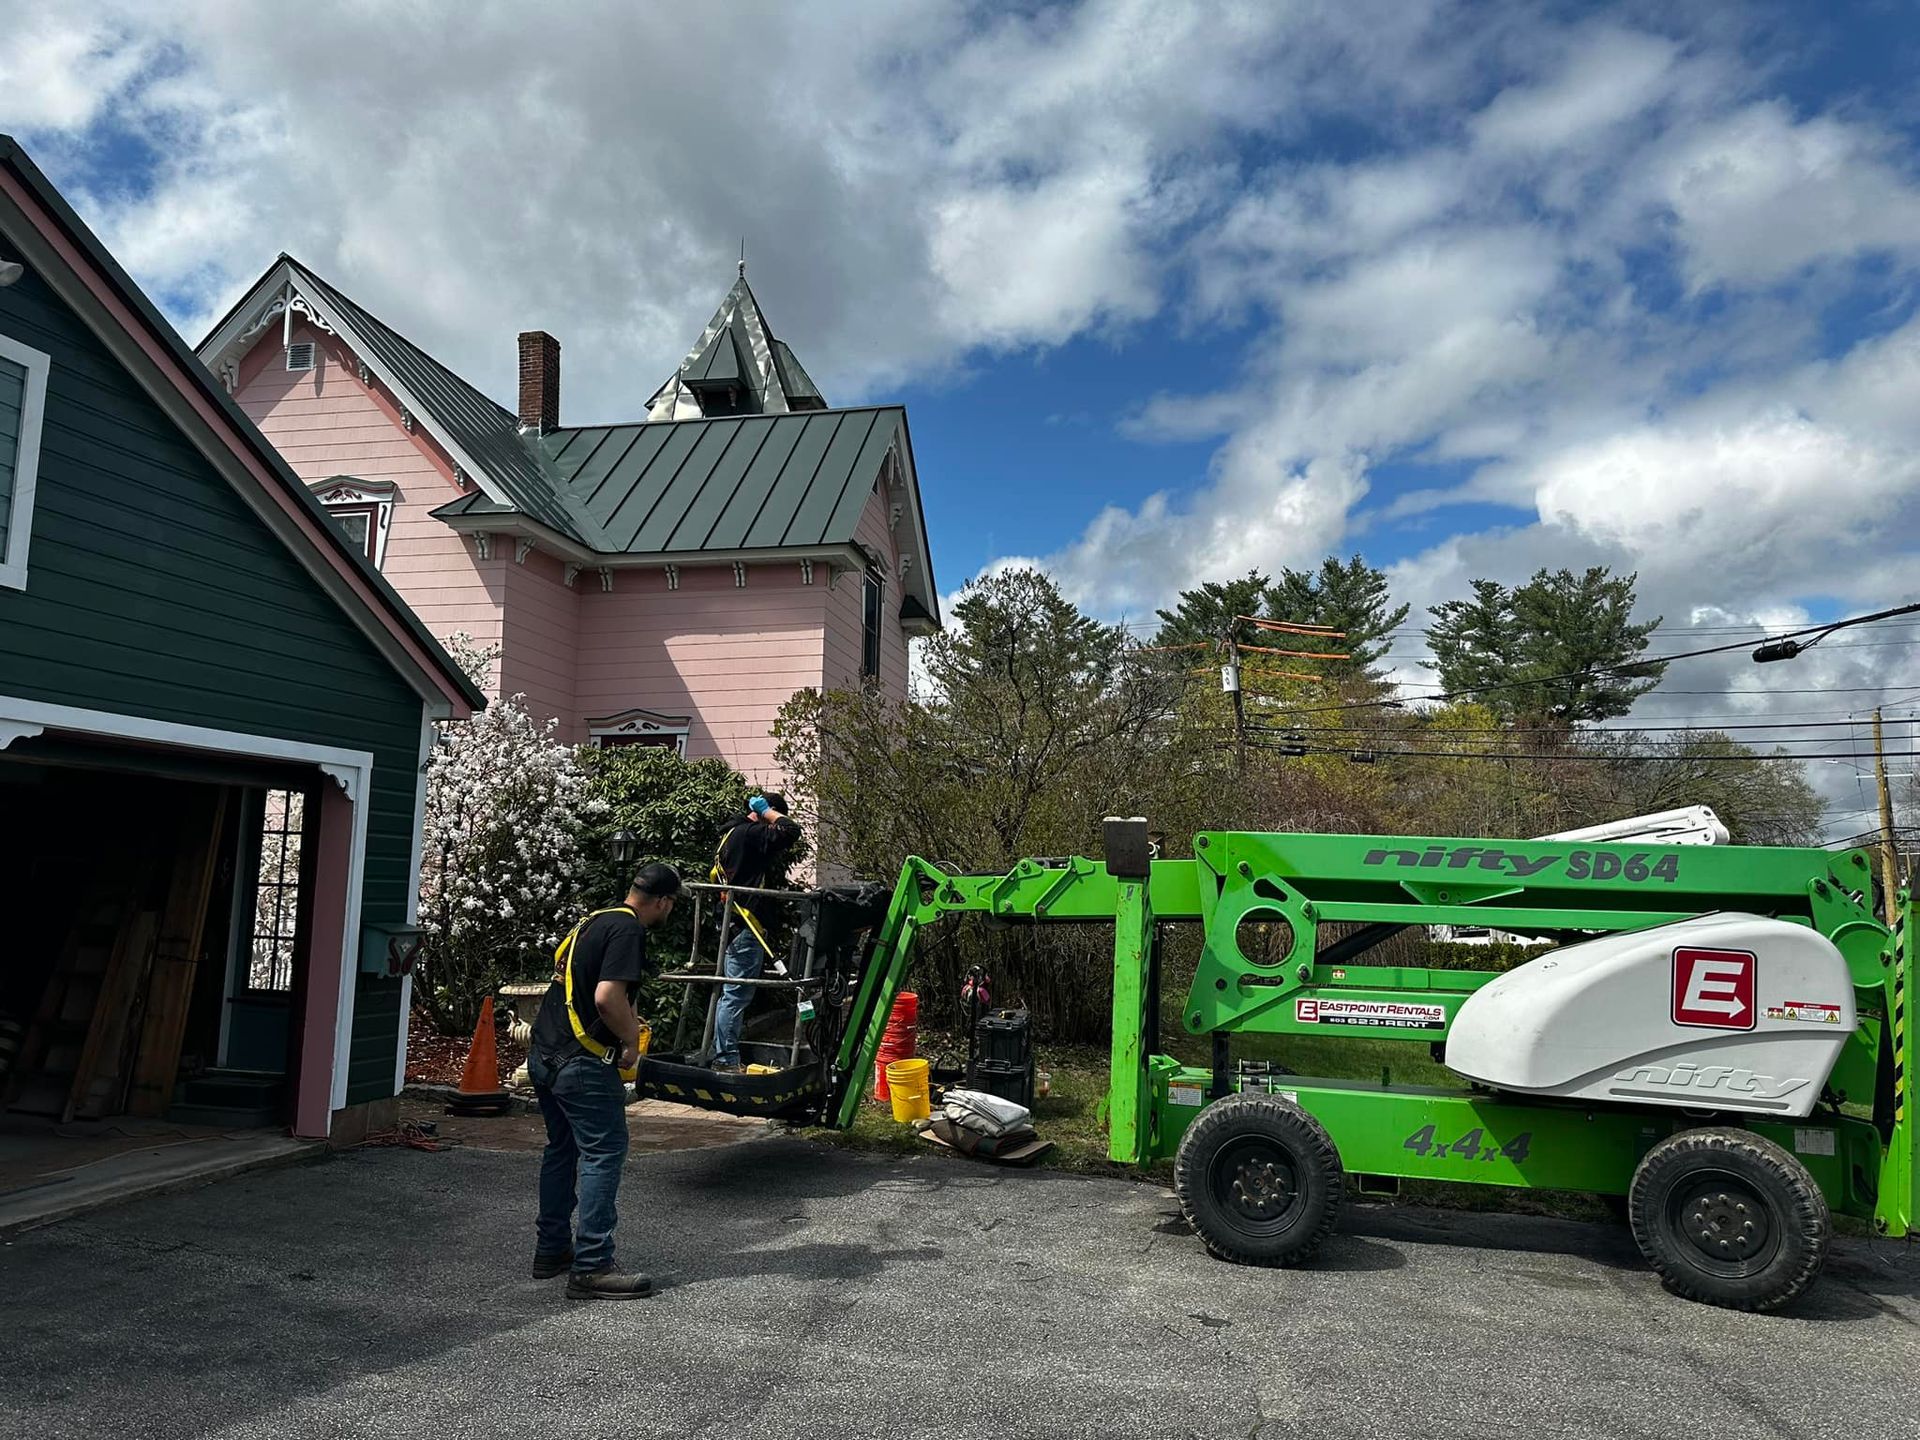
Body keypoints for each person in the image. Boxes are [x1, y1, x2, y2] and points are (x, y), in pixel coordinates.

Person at [528, 861, 681, 1300]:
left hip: (545, 1054)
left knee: (562, 1150)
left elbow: (581, 988)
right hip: (584, 1065)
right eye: (671, 906)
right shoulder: (630, 931)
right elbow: (607, 996)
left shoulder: (593, 921)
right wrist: (631, 1041)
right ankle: (592, 1265)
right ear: (663, 901)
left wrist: (627, 1019)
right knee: (603, 1155)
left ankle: (552, 1250)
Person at [709, 792, 802, 1070]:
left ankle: (723, 1054)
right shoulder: (749, 833)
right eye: (772, 816)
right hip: (746, 922)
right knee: (737, 993)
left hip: (733, 922)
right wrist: (767, 812)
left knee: (732, 992)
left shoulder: (732, 833)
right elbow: (790, 831)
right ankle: (725, 1059)